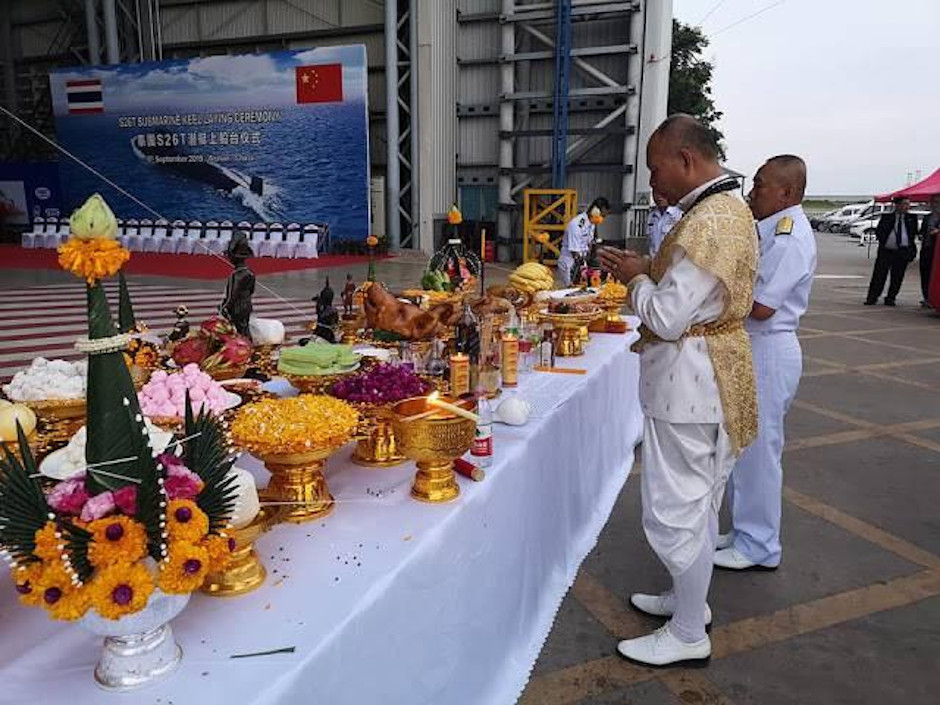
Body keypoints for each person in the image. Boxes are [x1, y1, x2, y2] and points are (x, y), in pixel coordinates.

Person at [598, 114, 758, 667]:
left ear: (686, 160)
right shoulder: (724, 210)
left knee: (677, 510)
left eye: (655, 167)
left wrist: (637, 279)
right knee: (699, 502)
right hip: (707, 375)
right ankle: (685, 601)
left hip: (690, 384)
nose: (651, 181)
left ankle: (689, 632)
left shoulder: (711, 221)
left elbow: (667, 317)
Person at [714, 156, 817, 572]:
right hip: (756, 347)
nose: (752, 192)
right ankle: (744, 531)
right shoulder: (772, 229)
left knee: (759, 451)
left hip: (769, 349)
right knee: (743, 446)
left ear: (786, 192)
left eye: (759, 185)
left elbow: (760, 307)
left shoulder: (789, 236)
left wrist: (710, 298)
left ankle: (759, 545)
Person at [864, 197, 919, 306]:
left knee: (897, 276)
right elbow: (880, 232)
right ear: (897, 205)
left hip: (902, 251)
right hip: (887, 251)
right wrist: (886, 242)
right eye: (904, 204)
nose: (907, 207)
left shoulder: (911, 218)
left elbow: (913, 233)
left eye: (908, 204)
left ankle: (891, 297)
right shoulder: (887, 217)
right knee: (879, 274)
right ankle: (872, 297)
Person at [558, 197, 610, 286]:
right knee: (571, 291)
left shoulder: (591, 224)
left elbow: (590, 243)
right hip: (570, 263)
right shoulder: (577, 225)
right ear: (595, 211)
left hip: (581, 261)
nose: (602, 219)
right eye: (602, 215)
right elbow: (575, 252)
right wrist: (583, 269)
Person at [219, 232, 256, 337]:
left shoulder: (236, 275)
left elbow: (232, 295)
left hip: (237, 308)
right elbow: (251, 290)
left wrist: (224, 307)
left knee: (238, 331)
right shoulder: (250, 272)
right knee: (245, 328)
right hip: (247, 305)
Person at [646, 192, 682, 258]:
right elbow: (650, 242)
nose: (659, 197)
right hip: (654, 261)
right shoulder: (651, 216)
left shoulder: (679, 215)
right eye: (656, 193)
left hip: (671, 261)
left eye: (663, 194)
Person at [919, 195, 940, 308]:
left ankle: (934, 298)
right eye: (933, 202)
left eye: (937, 202)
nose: (935, 205)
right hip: (926, 249)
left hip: (937, 252)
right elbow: (922, 231)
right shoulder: (928, 217)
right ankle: (927, 297)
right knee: (925, 274)